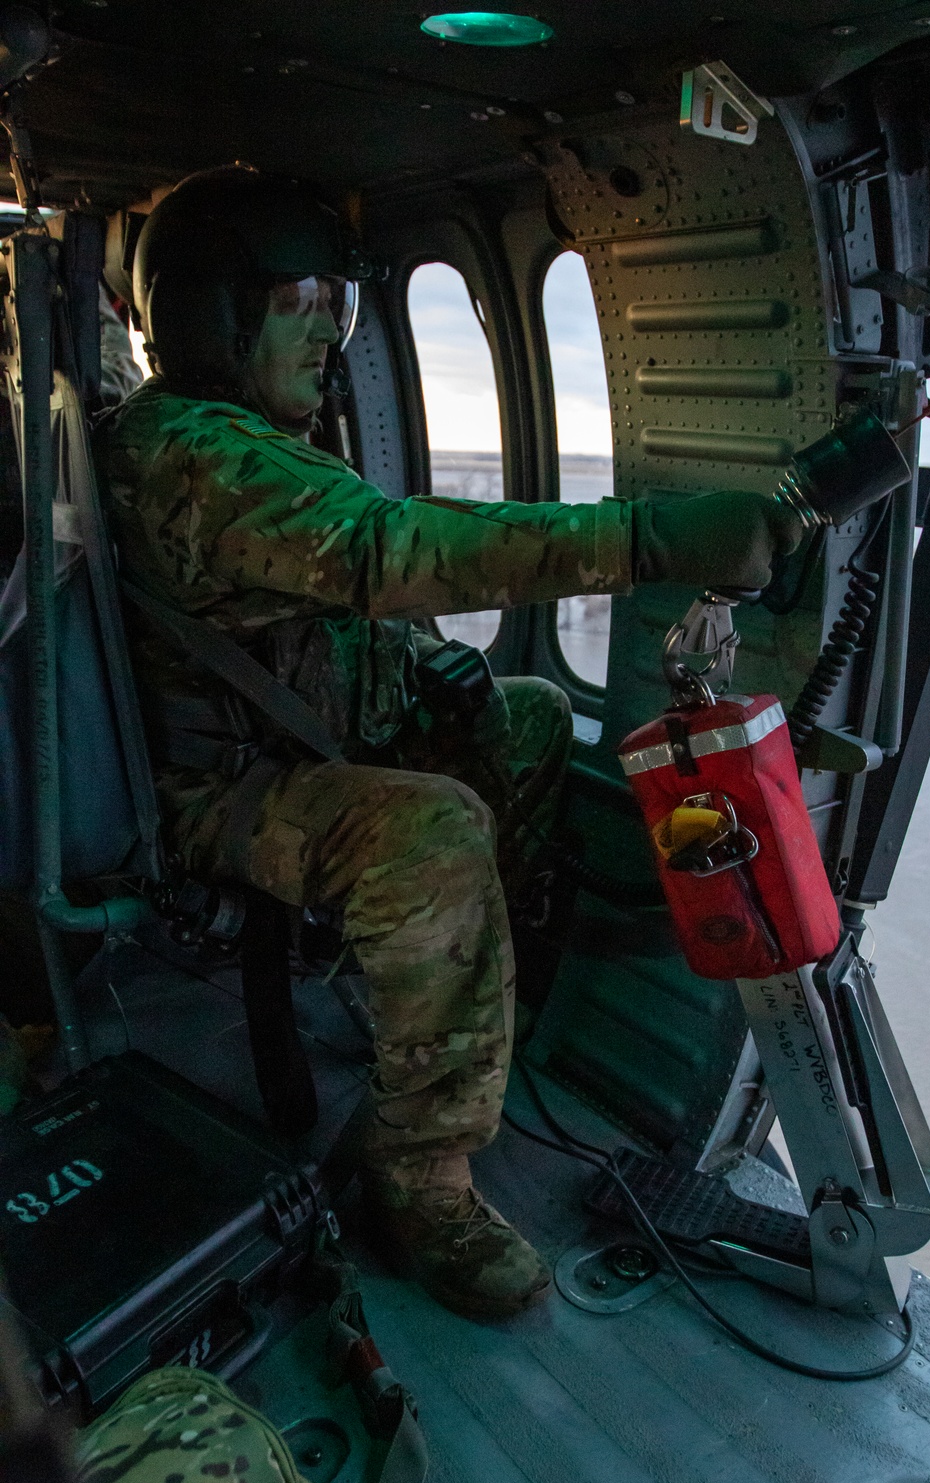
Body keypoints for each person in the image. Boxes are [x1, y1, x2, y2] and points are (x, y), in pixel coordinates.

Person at [94, 165, 802, 1320]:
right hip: (218, 793)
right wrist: (653, 535)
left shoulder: (256, 443)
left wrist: (434, 673)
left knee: (521, 712)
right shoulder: (189, 448)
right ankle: (417, 1179)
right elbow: (379, 553)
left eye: (343, 301)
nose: (333, 326)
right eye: (303, 298)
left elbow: (331, 607)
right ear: (212, 314)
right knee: (431, 826)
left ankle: (446, 1024)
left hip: (301, 753)